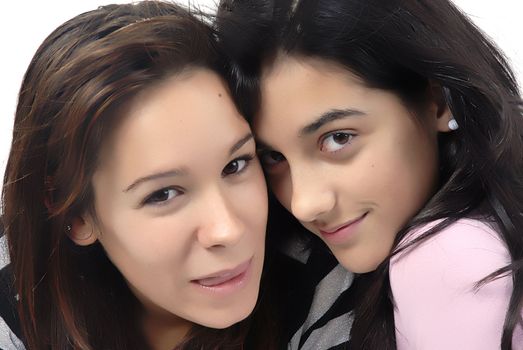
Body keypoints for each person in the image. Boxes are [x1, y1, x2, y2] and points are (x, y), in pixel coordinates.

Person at [216, 0, 523, 349]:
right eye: (273, 157)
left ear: (438, 99)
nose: (304, 205)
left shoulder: (450, 259)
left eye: (338, 138)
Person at [0, 1, 276, 349]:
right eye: (163, 194)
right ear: (76, 216)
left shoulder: (323, 288)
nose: (229, 230)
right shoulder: (13, 303)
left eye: (235, 165)